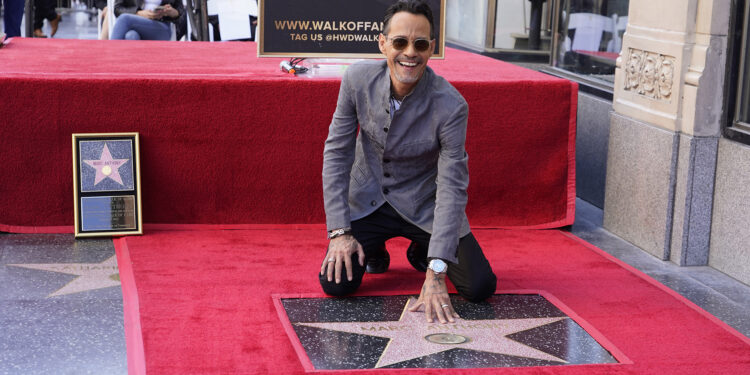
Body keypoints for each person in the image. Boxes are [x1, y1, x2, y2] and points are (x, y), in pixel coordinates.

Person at [320, 0, 497, 324]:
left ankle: (422, 249)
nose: (409, 53)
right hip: (368, 202)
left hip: (424, 207)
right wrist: (339, 232)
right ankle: (373, 248)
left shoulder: (452, 105)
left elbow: (452, 186)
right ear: (383, 43)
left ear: (432, 48)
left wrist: (437, 268)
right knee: (336, 283)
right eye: (400, 42)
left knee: (480, 286)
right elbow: (337, 151)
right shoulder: (357, 79)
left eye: (419, 44)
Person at [111, 0, 183, 41]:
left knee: (124, 19)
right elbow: (117, 9)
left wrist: (171, 12)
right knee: (131, 36)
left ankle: (108, 61)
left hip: (161, 28)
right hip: (136, 24)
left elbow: (180, 11)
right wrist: (139, 13)